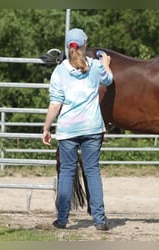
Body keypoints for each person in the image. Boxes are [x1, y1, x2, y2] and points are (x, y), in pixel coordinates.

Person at [42, 28, 113, 230]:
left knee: (66, 172)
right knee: (92, 171)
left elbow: (55, 104)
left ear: (67, 46)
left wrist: (46, 128)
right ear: (85, 46)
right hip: (92, 128)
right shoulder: (94, 66)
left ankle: (62, 220)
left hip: (67, 130)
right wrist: (106, 64)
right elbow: (108, 80)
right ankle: (100, 220)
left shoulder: (59, 72)